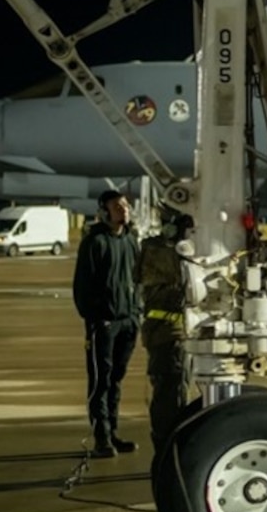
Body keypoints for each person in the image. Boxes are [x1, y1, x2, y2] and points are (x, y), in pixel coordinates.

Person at [73, 189, 141, 458]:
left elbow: (137, 278)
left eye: (125, 205)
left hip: (128, 320)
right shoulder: (95, 242)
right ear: (104, 211)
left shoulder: (130, 240)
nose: (123, 209)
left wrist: (136, 312)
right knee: (101, 379)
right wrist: (94, 317)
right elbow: (82, 285)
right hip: (104, 323)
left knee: (116, 379)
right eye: (117, 206)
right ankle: (101, 436)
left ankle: (112, 431)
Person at [139, 208, 196, 456]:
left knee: (178, 390)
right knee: (169, 395)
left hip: (176, 334)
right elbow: (177, 275)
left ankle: (172, 446)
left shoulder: (173, 249)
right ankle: (166, 450)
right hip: (166, 334)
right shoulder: (157, 250)